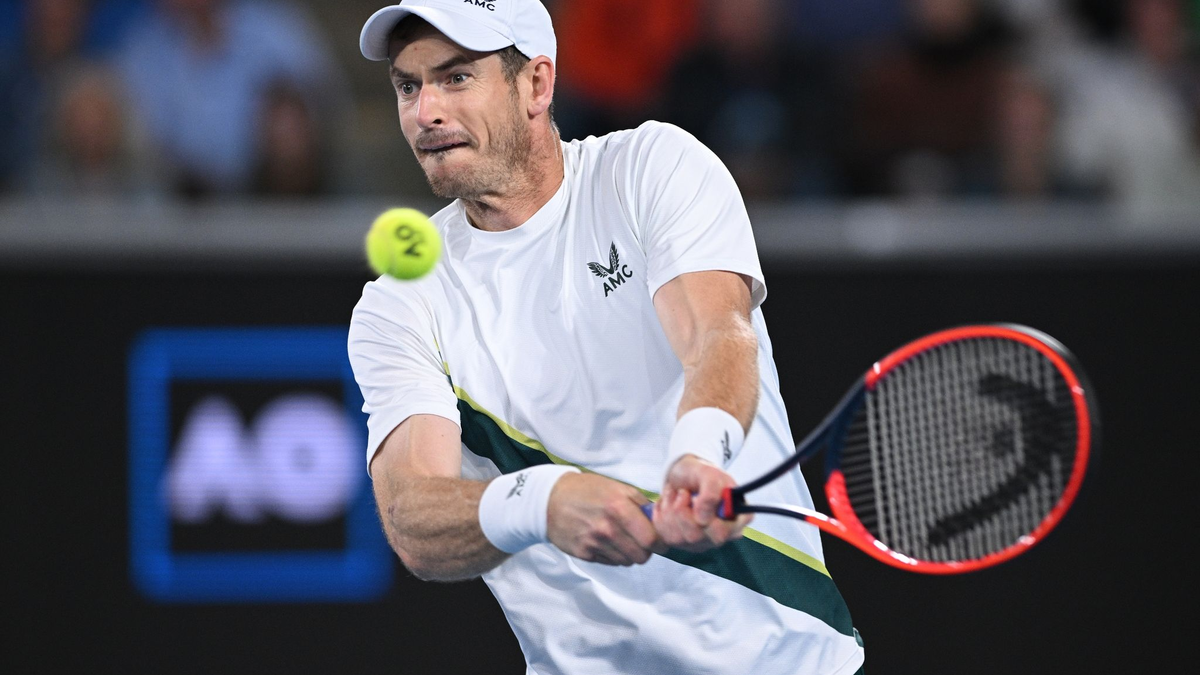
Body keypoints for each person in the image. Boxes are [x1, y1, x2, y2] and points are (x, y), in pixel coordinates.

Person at [348, 2, 865, 674]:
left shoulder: (652, 167)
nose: (425, 112)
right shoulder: (400, 304)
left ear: (536, 84)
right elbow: (413, 513)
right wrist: (541, 501)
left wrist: (701, 452)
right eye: (409, 85)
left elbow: (718, 333)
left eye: (455, 78)